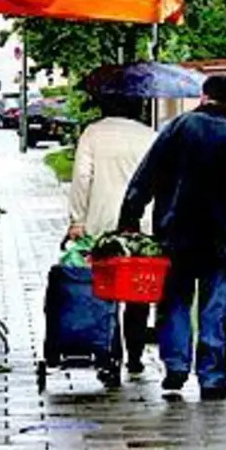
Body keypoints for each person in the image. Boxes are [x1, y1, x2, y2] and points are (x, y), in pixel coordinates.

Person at [118, 75, 226, 400]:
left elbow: (146, 173)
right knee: (216, 309)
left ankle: (176, 367)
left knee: (174, 303)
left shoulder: (177, 129)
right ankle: (212, 377)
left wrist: (130, 216)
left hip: (176, 235)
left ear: (204, 97)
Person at [67, 93, 157, 375]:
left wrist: (77, 219)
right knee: (139, 289)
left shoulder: (93, 133)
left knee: (106, 292)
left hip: (102, 224)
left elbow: (82, 178)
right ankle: (135, 354)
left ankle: (110, 353)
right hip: (142, 226)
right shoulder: (149, 135)